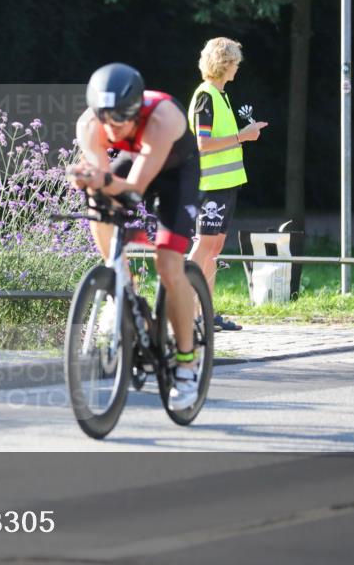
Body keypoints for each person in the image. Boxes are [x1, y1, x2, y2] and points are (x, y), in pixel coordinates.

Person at [67, 62, 202, 410]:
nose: (111, 128)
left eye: (120, 121)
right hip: (135, 159)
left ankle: (187, 364)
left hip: (175, 172)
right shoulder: (89, 123)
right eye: (105, 120)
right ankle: (118, 287)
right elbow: (102, 178)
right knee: (98, 202)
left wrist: (99, 179)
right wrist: (87, 179)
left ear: (136, 112)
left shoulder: (162, 119)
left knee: (169, 266)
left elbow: (135, 190)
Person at [187, 37, 268, 331]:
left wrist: (244, 135)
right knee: (204, 245)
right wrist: (242, 136)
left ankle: (206, 314)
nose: (237, 68)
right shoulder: (206, 95)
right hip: (210, 185)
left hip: (226, 184)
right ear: (223, 64)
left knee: (215, 247)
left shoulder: (221, 95)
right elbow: (203, 144)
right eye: (234, 63)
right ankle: (188, 311)